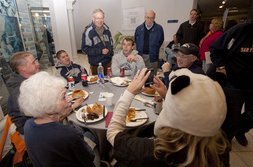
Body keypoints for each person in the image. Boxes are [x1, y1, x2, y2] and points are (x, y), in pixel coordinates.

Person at [107, 68, 228, 167]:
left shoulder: (157, 152)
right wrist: (167, 96)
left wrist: (129, 92)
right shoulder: (221, 149)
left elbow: (113, 133)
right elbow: (192, 113)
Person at [18, 72, 95, 167]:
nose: (70, 98)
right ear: (47, 106)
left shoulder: (28, 125)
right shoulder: (69, 135)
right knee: (91, 134)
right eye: (64, 96)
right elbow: (89, 158)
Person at [7, 52, 83, 134]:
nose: (38, 64)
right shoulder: (19, 93)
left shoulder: (34, 81)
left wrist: (72, 106)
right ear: (23, 68)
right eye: (33, 62)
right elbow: (26, 126)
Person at [209, 5, 253, 146]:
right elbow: (215, 49)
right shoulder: (240, 31)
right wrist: (221, 66)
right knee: (230, 119)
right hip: (234, 84)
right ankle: (224, 144)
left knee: (251, 117)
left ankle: (240, 131)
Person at [81, 8, 113, 75]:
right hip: (96, 65)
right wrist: (101, 51)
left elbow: (111, 44)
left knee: (109, 83)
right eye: (97, 18)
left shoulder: (107, 30)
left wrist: (110, 53)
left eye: (101, 18)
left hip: (108, 62)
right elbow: (85, 49)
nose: (100, 20)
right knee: (97, 84)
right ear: (93, 18)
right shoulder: (88, 31)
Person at [134, 10, 164, 75]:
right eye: (148, 17)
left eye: (152, 18)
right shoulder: (139, 29)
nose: (149, 20)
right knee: (140, 77)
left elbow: (160, 41)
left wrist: (154, 49)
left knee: (152, 78)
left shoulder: (159, 29)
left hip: (152, 57)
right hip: (141, 56)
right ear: (145, 17)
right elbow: (136, 41)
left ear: (154, 18)